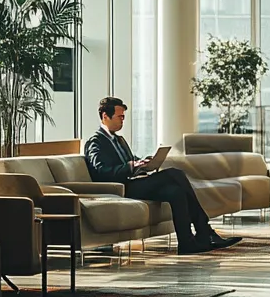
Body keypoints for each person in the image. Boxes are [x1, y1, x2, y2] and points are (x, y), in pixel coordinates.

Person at [84, 97, 242, 256]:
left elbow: (128, 161)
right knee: (175, 173)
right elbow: (101, 172)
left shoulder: (119, 139)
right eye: (120, 117)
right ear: (105, 116)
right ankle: (204, 230)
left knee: (176, 192)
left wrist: (143, 163)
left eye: (123, 117)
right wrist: (131, 166)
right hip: (121, 188)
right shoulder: (95, 142)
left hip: (134, 182)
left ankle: (187, 243)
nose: (123, 121)